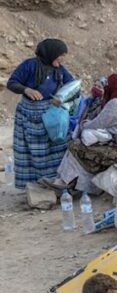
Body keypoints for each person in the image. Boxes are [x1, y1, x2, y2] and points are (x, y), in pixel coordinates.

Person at [51, 73, 117, 193]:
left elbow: (98, 123)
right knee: (81, 145)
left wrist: (83, 125)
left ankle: (71, 183)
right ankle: (68, 181)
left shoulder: (115, 103)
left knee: (76, 146)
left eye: (107, 84)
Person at [7, 39, 74, 189]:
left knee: (58, 146)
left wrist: (62, 98)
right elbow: (12, 82)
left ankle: (56, 183)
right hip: (29, 116)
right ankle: (36, 185)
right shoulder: (29, 65)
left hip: (51, 115)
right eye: (60, 55)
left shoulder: (60, 70)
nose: (62, 58)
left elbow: (72, 86)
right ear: (50, 53)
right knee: (35, 151)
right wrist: (26, 90)